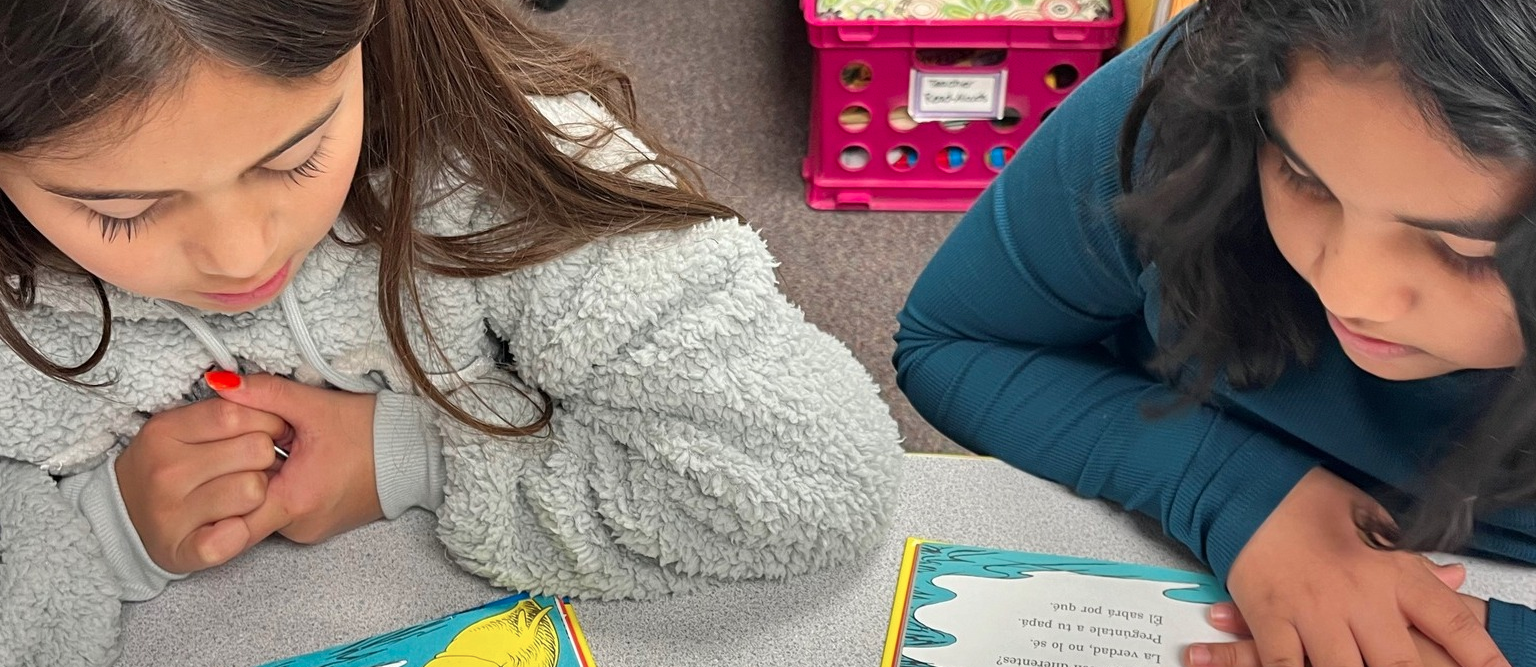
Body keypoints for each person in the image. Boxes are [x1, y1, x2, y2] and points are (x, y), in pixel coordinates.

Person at [0, 0, 904, 663]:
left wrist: (406, 457)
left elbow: (807, 476)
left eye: (297, 157)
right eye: (120, 211)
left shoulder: (505, 162)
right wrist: (104, 530)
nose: (242, 255)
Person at [894, 1, 1536, 666]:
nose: (1348, 294)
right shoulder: (1212, 79)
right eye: (1301, 179)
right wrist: (1232, 488)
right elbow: (952, 341)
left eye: (1469, 252)